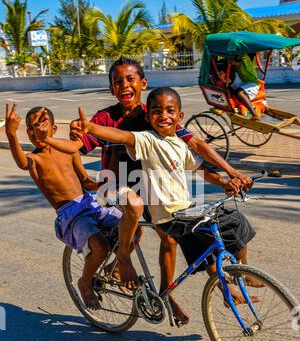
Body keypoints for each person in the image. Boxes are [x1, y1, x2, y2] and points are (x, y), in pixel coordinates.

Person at [36, 57, 253, 323]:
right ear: (111, 88)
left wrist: (230, 173)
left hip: (149, 189)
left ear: (143, 83)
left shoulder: (153, 113)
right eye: (117, 81)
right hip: (114, 187)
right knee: (137, 208)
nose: (124, 85)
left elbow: (194, 145)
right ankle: (124, 259)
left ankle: (167, 293)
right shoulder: (106, 117)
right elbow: (76, 148)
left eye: (130, 79)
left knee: (177, 232)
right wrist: (71, 149)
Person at [5, 103, 122, 310]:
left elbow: (85, 180)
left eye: (41, 124)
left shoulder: (68, 150)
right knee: (101, 245)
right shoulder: (35, 159)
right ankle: (85, 281)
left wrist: (106, 186)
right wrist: (11, 134)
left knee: (132, 227)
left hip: (90, 203)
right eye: (30, 128)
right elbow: (22, 163)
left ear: (54, 129)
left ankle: (116, 268)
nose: (35, 131)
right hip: (72, 216)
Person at [227, 55, 261, 119]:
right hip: (244, 83)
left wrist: (233, 62)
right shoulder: (237, 57)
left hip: (252, 84)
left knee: (239, 93)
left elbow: (240, 63)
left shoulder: (244, 56)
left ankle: (254, 114)